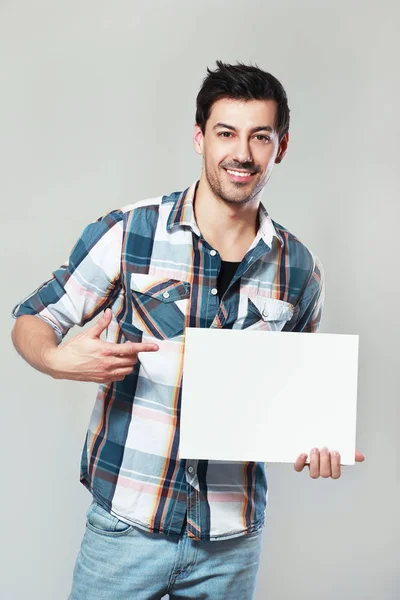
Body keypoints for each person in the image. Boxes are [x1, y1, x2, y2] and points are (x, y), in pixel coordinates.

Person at [11, 61, 364, 600]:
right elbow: (35, 317)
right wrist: (56, 361)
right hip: (126, 528)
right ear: (200, 137)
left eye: (259, 137)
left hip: (230, 542)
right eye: (226, 133)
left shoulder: (299, 268)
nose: (241, 152)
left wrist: (319, 439)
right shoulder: (132, 231)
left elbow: (297, 395)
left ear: (280, 147)